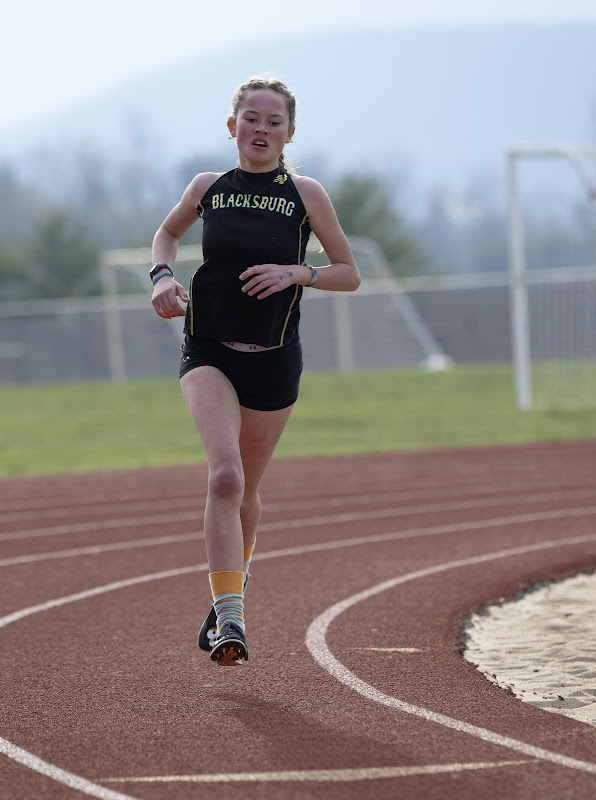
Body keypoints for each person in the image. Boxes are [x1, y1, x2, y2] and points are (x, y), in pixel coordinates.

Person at [150, 76, 361, 666]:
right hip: (208, 348)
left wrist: (299, 274)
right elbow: (167, 234)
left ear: (290, 132)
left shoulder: (306, 194)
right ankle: (231, 620)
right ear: (232, 125)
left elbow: (349, 272)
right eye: (251, 118)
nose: (260, 129)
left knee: (249, 489)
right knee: (225, 478)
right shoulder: (207, 186)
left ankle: (228, 589)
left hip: (274, 360)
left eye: (273, 121)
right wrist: (162, 277)